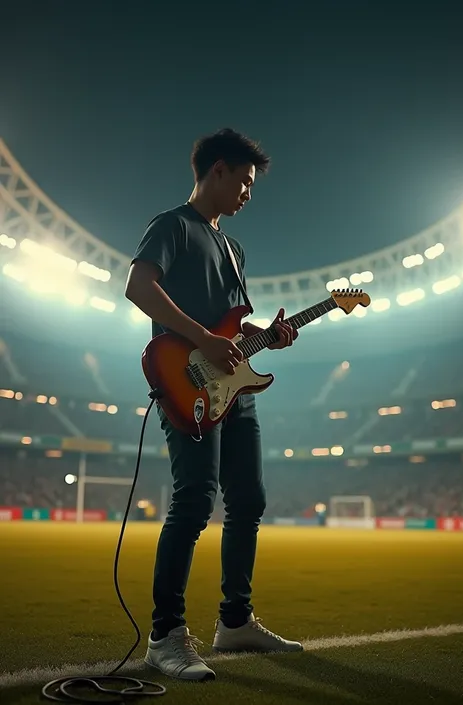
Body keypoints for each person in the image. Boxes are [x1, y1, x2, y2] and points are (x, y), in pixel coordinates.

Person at [125, 128, 302, 681]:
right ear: (218, 171)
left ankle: (235, 620)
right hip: (187, 383)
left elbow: (230, 325)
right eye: (245, 181)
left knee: (248, 499)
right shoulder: (172, 225)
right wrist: (202, 338)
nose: (249, 192)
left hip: (233, 388)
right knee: (195, 498)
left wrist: (265, 335)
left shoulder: (233, 246)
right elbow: (139, 286)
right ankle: (164, 635)